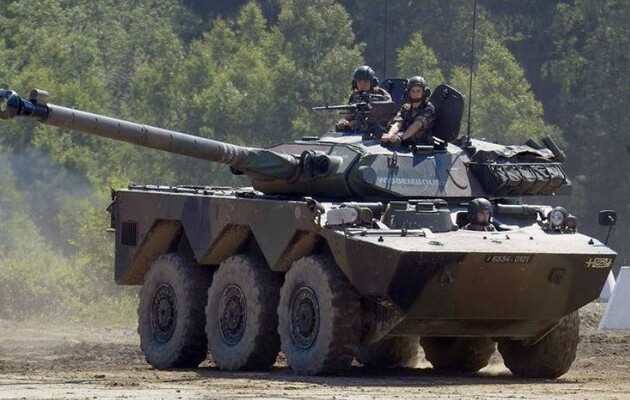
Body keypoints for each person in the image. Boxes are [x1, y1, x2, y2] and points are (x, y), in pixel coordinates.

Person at [381, 75, 435, 145]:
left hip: (421, 146)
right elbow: (398, 123)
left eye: (418, 91)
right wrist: (390, 135)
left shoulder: (428, 108)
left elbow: (417, 125)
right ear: (408, 92)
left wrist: (401, 138)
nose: (415, 94)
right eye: (413, 91)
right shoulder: (406, 107)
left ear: (424, 92)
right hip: (406, 143)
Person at [336, 65, 391, 131]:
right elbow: (351, 113)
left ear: (372, 82)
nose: (362, 85)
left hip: (378, 128)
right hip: (358, 128)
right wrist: (344, 120)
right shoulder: (355, 96)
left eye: (365, 81)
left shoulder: (381, 94)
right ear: (355, 83)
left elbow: (388, 112)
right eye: (359, 82)